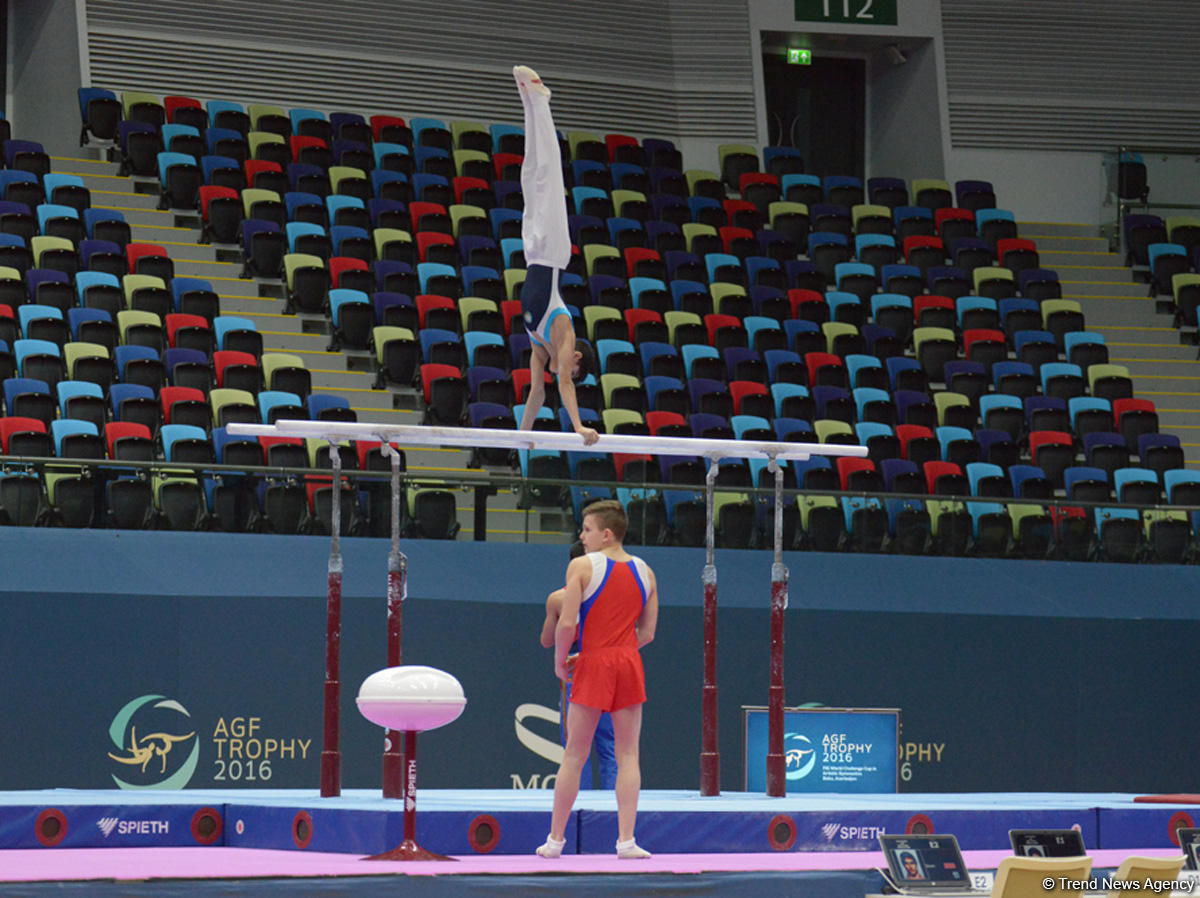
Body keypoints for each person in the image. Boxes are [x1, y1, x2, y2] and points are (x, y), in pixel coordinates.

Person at [536, 500, 657, 860]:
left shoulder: (582, 566)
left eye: (586, 530)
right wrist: (619, 648)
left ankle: (555, 841)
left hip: (594, 663)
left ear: (606, 534)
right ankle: (627, 842)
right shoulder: (646, 571)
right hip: (629, 662)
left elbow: (567, 624)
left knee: (574, 754)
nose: (582, 536)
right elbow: (648, 632)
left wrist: (563, 663)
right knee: (628, 755)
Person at [512, 64, 599, 446]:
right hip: (552, 251)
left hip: (533, 252)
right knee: (548, 173)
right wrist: (579, 427)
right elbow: (563, 383)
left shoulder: (537, 343)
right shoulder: (564, 333)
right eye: (573, 370)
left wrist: (522, 437)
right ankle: (542, 102)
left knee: (531, 175)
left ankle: (528, 99)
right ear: (576, 357)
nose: (563, 370)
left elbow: (537, 394)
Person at [539, 541, 617, 791]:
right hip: (608, 671)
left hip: (577, 674)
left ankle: (578, 804)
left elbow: (546, 641)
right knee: (610, 747)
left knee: (575, 746)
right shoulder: (613, 596)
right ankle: (612, 809)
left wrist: (560, 620)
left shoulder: (559, 598)